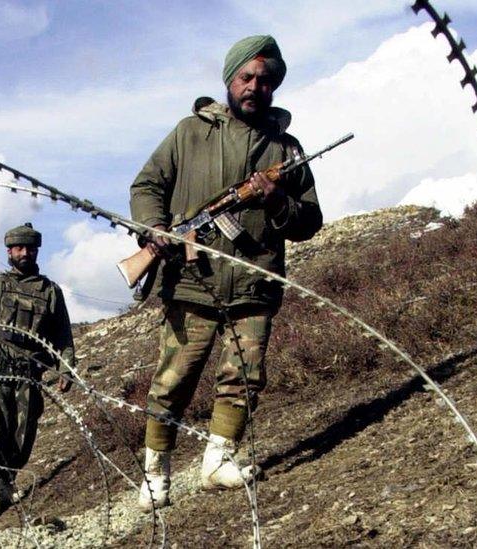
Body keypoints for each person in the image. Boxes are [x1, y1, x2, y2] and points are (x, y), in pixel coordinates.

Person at [129, 35, 323, 510]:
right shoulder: (189, 133)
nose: (255, 86)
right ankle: (155, 473)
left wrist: (276, 199)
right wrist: (153, 229)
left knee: (244, 376)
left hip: (255, 280)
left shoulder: (287, 149)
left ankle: (219, 460)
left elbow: (310, 220)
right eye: (247, 77)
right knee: (173, 379)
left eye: (265, 80)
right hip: (191, 280)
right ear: (230, 80)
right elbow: (148, 184)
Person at [0, 223, 75, 518]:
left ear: (36, 250)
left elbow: (63, 334)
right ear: (9, 251)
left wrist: (66, 368)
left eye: (30, 248)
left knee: (23, 433)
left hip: (29, 372)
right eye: (19, 248)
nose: (24, 253)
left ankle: (8, 478)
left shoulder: (49, 291)